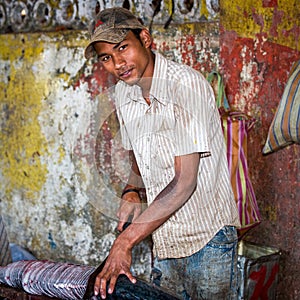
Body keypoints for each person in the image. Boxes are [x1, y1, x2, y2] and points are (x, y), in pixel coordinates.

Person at [84, 7, 241, 300]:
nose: (118, 63)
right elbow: (136, 152)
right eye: (106, 57)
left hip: (207, 240)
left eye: (122, 48)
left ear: (145, 38)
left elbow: (185, 182)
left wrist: (124, 243)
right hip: (164, 240)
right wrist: (132, 190)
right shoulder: (124, 93)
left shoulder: (185, 86)